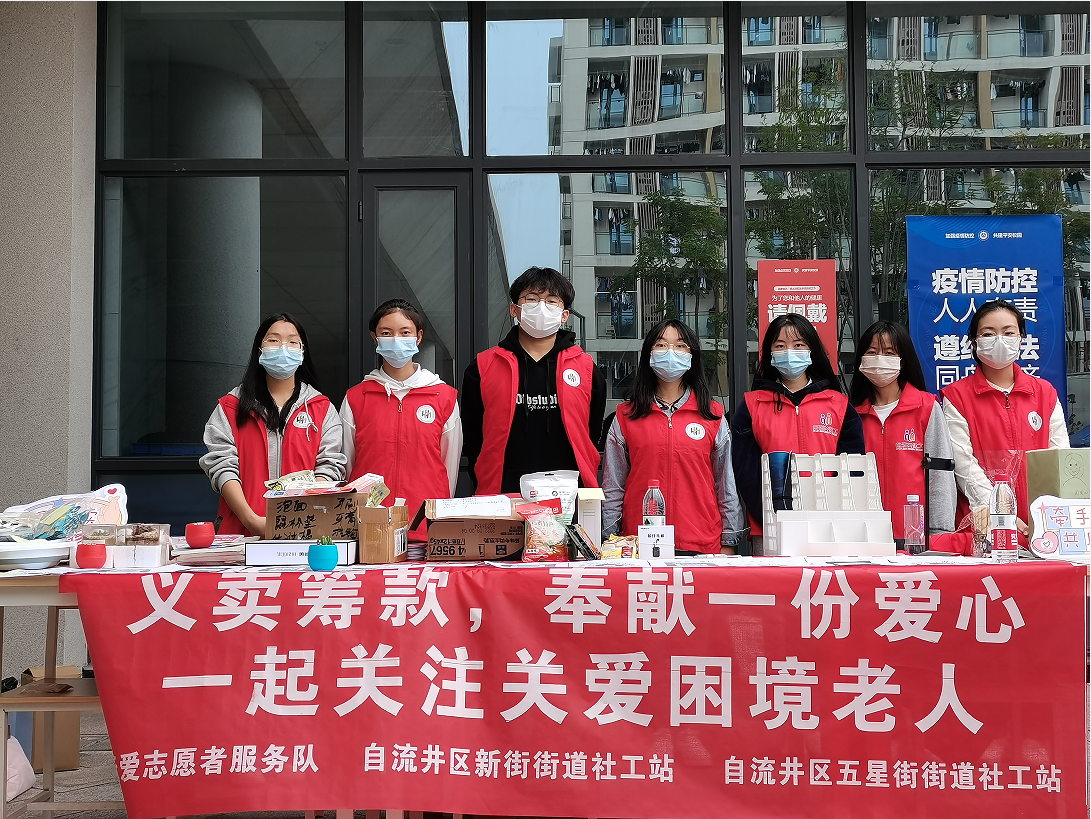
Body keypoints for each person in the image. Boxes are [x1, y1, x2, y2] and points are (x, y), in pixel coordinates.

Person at [602, 320, 746, 554]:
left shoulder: (712, 416)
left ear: (692, 355)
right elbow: (613, 487)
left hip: (701, 543)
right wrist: (610, 538)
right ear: (649, 354)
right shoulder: (626, 416)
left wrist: (729, 541)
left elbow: (726, 484)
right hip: (639, 544)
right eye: (661, 345)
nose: (670, 352)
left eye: (680, 346)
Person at [462, 266, 607, 494]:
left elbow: (591, 432)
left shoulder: (586, 368)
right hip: (502, 494)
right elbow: (472, 437)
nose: (541, 306)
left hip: (570, 495)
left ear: (564, 315)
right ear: (515, 310)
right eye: (531, 299)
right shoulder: (483, 366)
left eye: (551, 301)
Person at [201, 313, 346, 536]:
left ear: (302, 351)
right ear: (260, 349)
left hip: (302, 532)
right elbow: (222, 466)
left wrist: (295, 519)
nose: (283, 347)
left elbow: (329, 466)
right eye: (273, 340)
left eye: (292, 341)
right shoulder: (231, 407)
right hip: (240, 534)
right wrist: (252, 520)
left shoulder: (322, 409)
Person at [940, 299, 1069, 549]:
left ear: (1021, 339)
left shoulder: (1045, 393)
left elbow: (1059, 457)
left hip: (1043, 525)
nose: (999, 340)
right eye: (988, 334)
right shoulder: (956, 397)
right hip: (984, 526)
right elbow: (964, 464)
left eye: (1009, 332)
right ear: (974, 342)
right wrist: (1002, 512)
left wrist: (1046, 515)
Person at [731, 313, 865, 545]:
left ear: (811, 350)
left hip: (830, 528)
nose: (789, 352)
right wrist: (771, 517)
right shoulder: (752, 406)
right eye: (780, 346)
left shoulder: (839, 405)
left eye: (798, 345)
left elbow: (853, 469)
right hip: (771, 530)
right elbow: (746, 473)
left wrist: (838, 517)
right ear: (770, 353)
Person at [340, 299, 462, 540]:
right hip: (370, 528)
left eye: (405, 332)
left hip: (427, 526)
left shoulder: (443, 396)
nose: (396, 340)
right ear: (375, 338)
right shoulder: (356, 398)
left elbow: (449, 466)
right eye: (387, 333)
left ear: (418, 337)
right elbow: (348, 465)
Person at [849, 321, 956, 543]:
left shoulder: (926, 407)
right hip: (862, 537)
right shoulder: (852, 414)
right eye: (872, 352)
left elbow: (940, 474)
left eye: (889, 353)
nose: (880, 359)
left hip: (916, 539)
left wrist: (939, 532)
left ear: (903, 360)